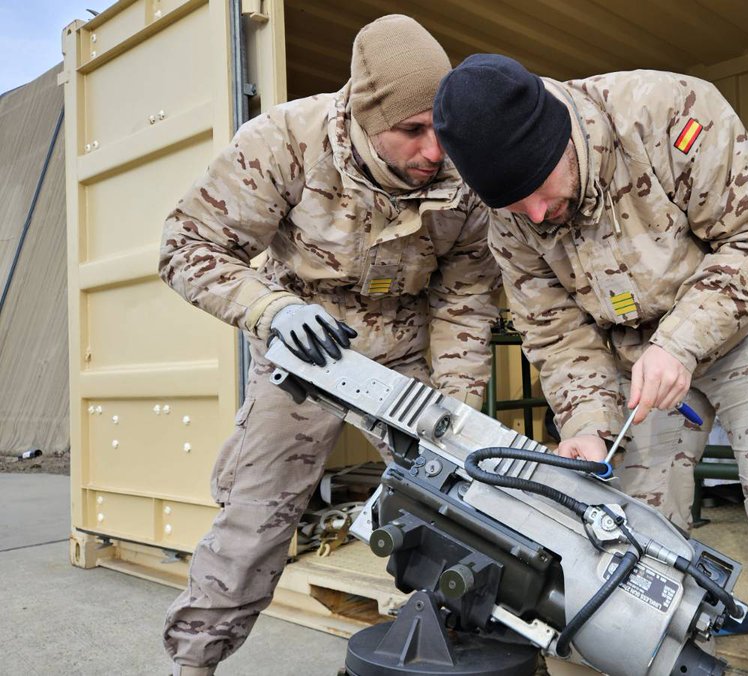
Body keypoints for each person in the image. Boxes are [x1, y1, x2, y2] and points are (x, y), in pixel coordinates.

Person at [433, 55, 748, 674]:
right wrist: (585, 424)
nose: (534, 215)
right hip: (637, 353)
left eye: (538, 188)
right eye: (513, 204)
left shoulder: (667, 113)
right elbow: (555, 332)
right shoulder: (513, 216)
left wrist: (682, 341)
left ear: (560, 133)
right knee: (630, 536)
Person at [157, 17, 499, 675]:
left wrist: (453, 420)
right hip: (302, 347)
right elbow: (186, 247)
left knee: (459, 500)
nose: (435, 150)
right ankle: (194, 663)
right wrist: (268, 309)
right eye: (412, 131)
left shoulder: (462, 178)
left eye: (443, 128)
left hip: (399, 350)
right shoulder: (284, 143)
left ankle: (442, 650)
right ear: (367, 117)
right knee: (256, 518)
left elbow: (464, 304)